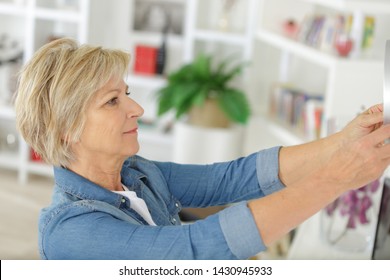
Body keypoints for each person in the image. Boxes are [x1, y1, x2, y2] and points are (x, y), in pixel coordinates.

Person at [15, 38, 390, 260]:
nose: (138, 109)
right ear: (66, 128)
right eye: (113, 101)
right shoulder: (71, 230)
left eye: (126, 93)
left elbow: (232, 178)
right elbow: (195, 251)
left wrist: (343, 143)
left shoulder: (137, 173)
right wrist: (335, 177)